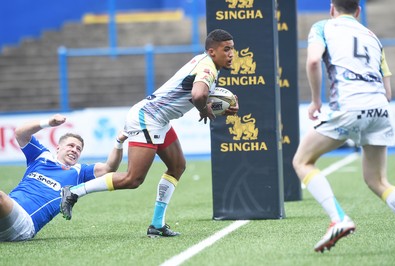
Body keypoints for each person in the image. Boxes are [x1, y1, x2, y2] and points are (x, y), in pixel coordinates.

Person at [60, 29, 239, 237]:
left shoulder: (205, 63)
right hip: (148, 117)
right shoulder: (208, 66)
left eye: (232, 49)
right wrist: (204, 109)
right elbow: (198, 94)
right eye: (226, 49)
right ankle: (74, 192)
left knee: (177, 166)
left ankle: (157, 224)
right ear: (212, 51)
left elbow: (198, 93)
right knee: (133, 179)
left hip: (158, 119)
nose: (231, 54)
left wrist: (222, 104)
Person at [292, 0, 395, 253]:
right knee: (378, 180)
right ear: (358, 11)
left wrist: (316, 101)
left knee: (302, 161)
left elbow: (313, 62)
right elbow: (387, 90)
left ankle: (338, 219)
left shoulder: (323, 27)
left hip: (350, 105)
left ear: (332, 9)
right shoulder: (372, 36)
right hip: (380, 108)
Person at [0, 114, 125, 241]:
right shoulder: (40, 156)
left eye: (78, 149)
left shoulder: (79, 172)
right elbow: (20, 133)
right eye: (70, 146)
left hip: (24, 223)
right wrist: (48, 122)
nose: (74, 150)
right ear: (58, 148)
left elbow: (109, 168)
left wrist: (119, 142)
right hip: (6, 212)